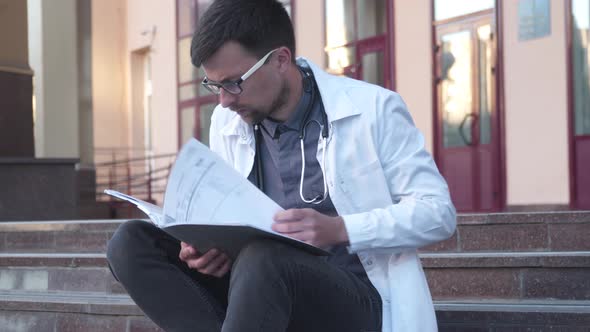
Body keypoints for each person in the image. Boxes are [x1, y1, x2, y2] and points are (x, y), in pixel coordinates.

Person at [106, 0, 456, 331]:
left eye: (233, 83)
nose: (224, 101)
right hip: (256, 286)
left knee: (266, 258)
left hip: (357, 297)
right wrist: (205, 249)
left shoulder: (375, 108)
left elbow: (437, 213)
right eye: (214, 85)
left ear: (280, 59)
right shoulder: (228, 124)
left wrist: (340, 229)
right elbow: (226, 217)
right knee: (130, 242)